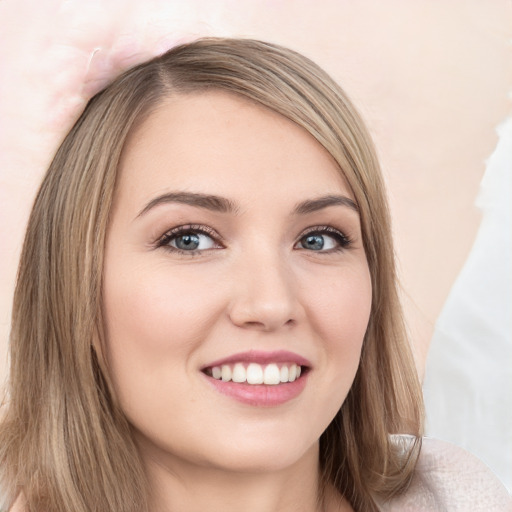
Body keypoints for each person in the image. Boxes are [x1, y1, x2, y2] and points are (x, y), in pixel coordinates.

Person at [0, 38, 509, 512]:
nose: (271, 304)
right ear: (75, 285)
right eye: (189, 239)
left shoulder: (455, 497)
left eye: (319, 239)